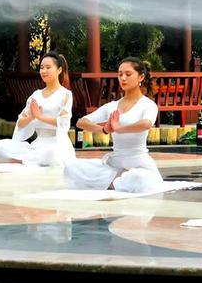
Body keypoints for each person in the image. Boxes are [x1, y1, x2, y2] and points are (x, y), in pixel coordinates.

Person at [63, 57, 164, 193]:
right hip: (115, 164)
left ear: (141, 77)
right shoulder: (112, 106)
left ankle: (113, 182)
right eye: (120, 74)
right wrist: (104, 129)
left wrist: (119, 128)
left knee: (138, 178)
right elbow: (81, 122)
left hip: (138, 164)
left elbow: (146, 124)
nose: (123, 78)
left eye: (128, 74)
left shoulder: (148, 105)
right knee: (71, 167)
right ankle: (115, 181)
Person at [0, 52, 75, 167]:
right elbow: (20, 122)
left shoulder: (65, 94)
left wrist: (39, 117)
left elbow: (63, 122)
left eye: (48, 67)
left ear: (59, 70)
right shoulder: (36, 95)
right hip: (37, 145)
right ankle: (33, 159)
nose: (44, 71)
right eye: (41, 67)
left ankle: (30, 160)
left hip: (56, 144)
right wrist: (31, 117)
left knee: (52, 155)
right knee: (0, 146)